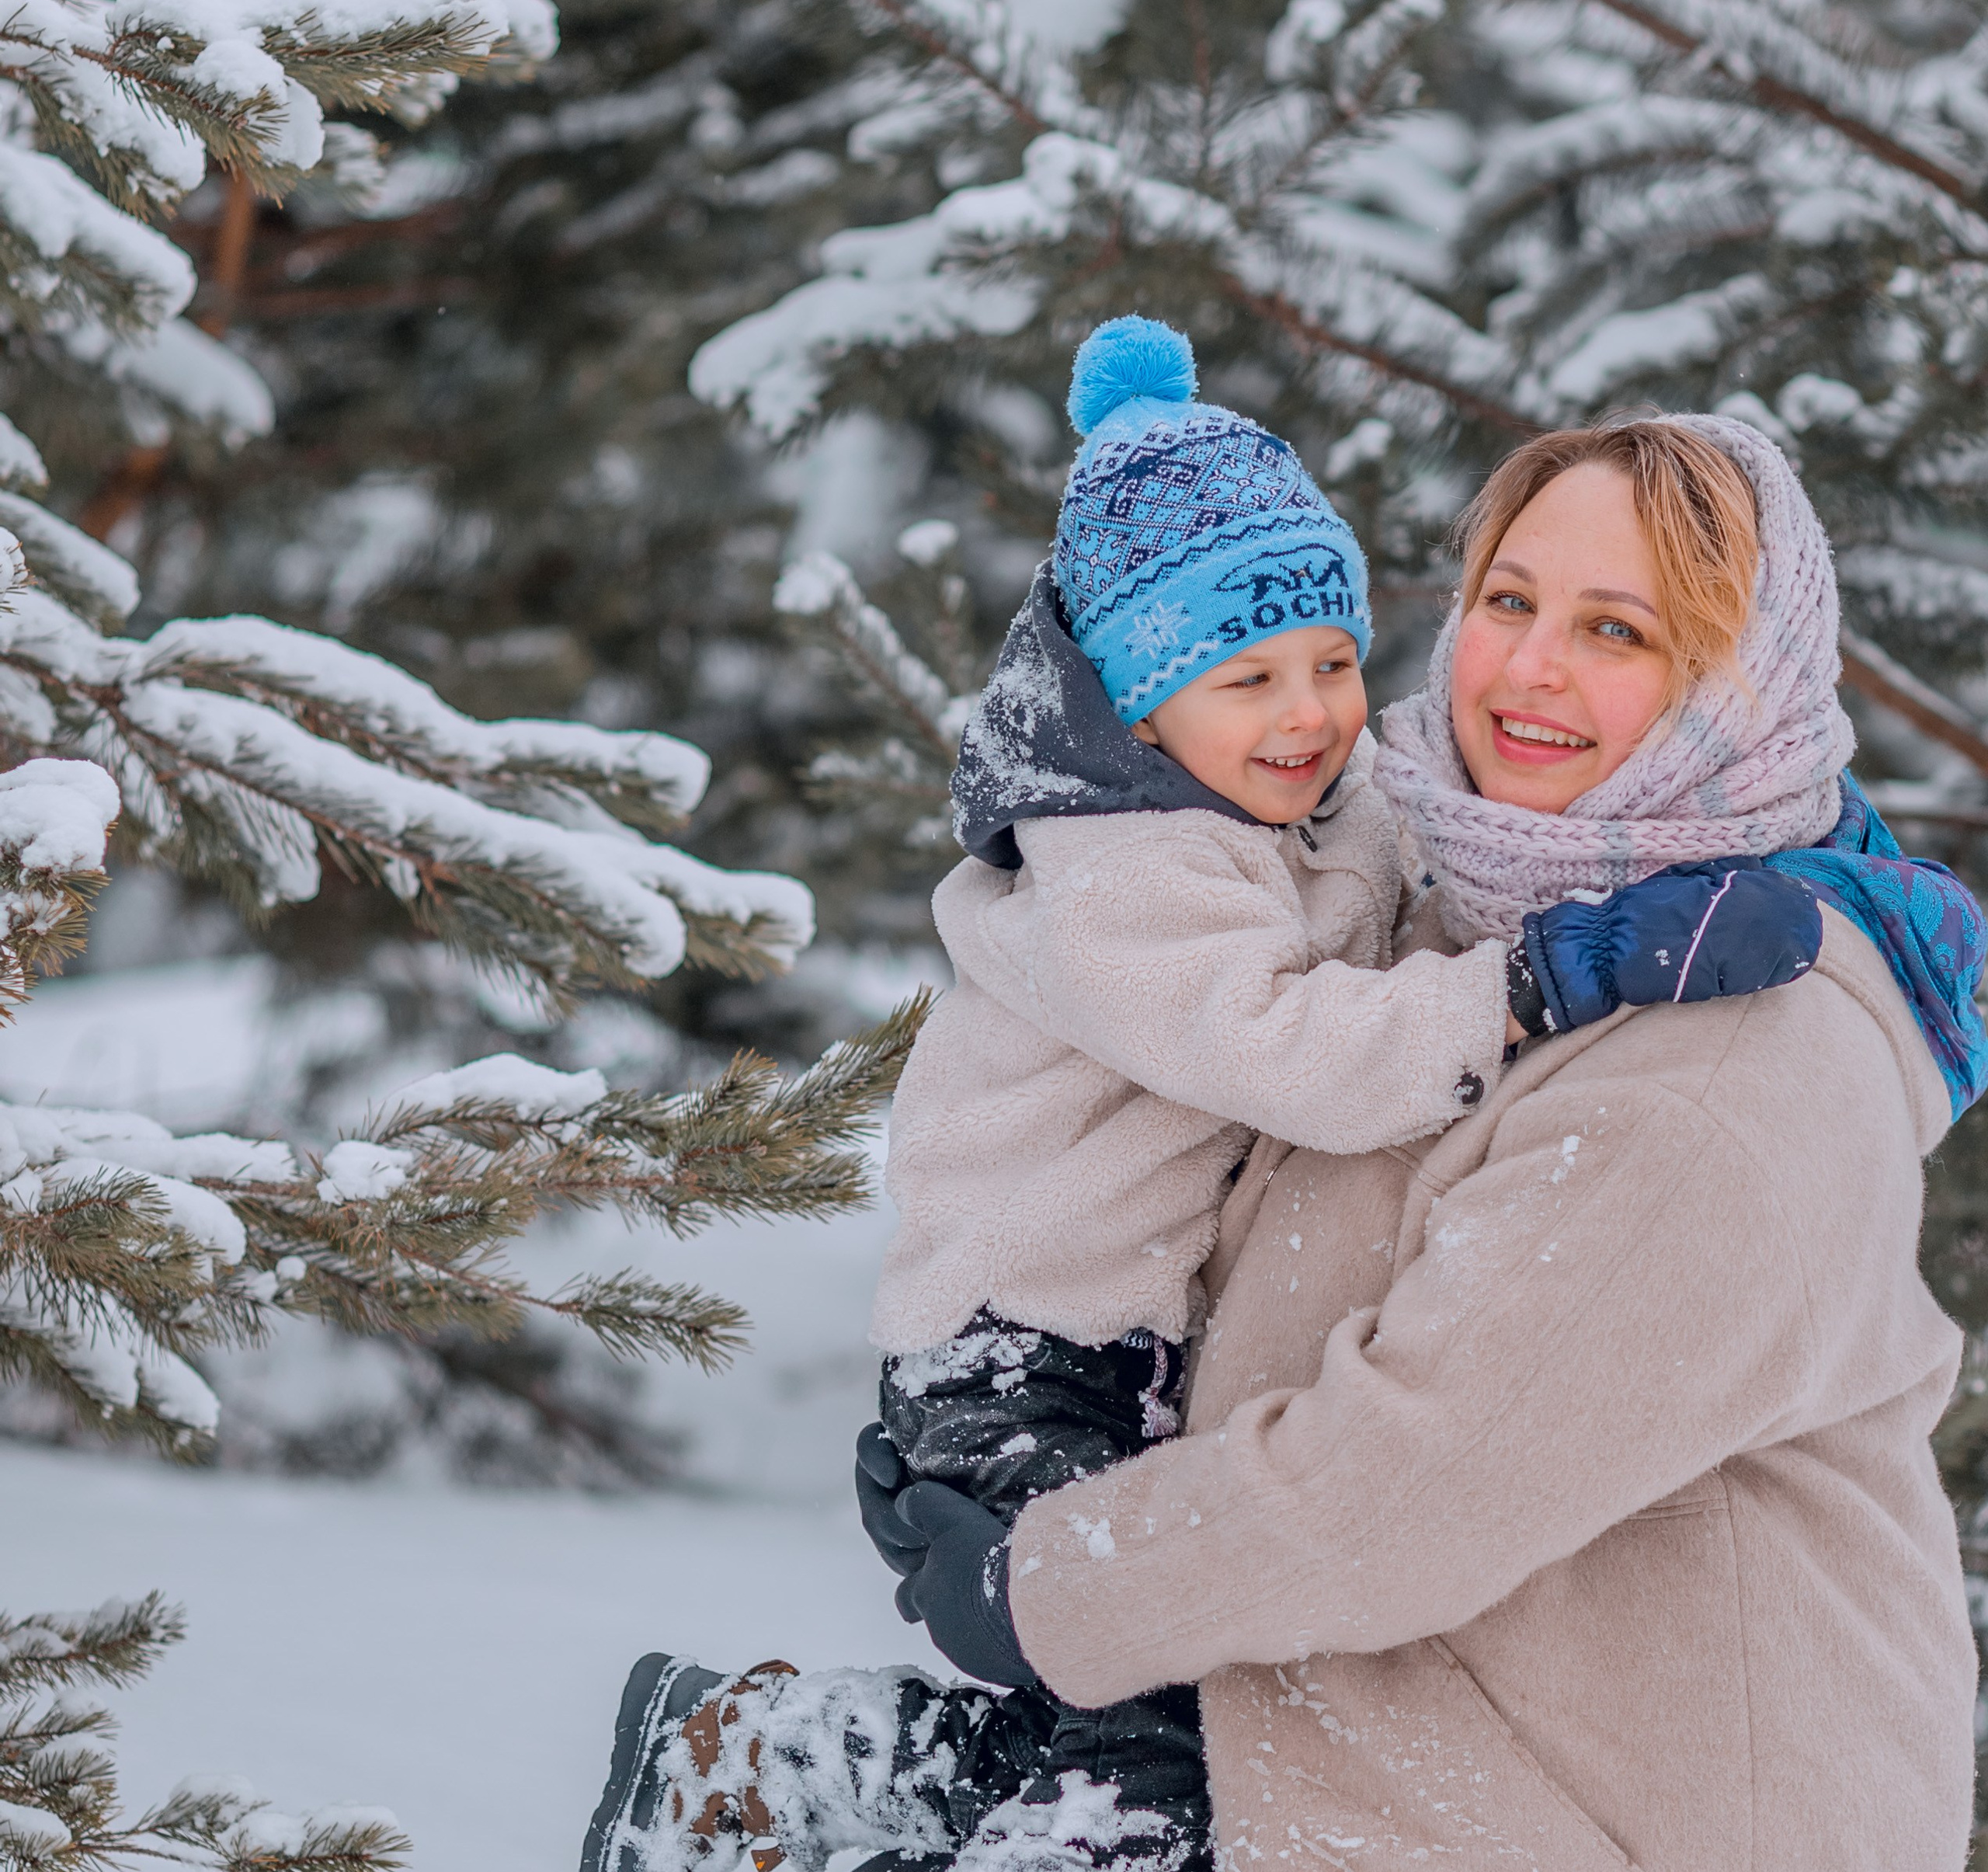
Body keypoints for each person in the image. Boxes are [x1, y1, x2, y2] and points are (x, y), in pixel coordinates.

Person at [575, 357, 1845, 1872]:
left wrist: (1845, 882)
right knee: (1156, 1726)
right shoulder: (1135, 865)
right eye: (1246, 681)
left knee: (1162, 1703)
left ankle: (768, 1764)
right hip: (1030, 1345)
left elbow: (1396, 1490)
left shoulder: (1326, 814)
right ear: (1133, 699)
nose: (1312, 714)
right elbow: (1298, 1040)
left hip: (1197, 1406)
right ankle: (883, 1801)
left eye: (1327, 660)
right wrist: (1535, 976)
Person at [869, 416, 1988, 1871]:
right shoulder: (1447, 909)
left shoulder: (1723, 1066)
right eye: (1510, 602)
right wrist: (996, 1386)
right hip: (1378, 1753)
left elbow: (1392, 1498)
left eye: (1619, 630)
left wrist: (1036, 1593)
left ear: (1734, 688)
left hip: (1606, 1820)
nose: (1531, 666)